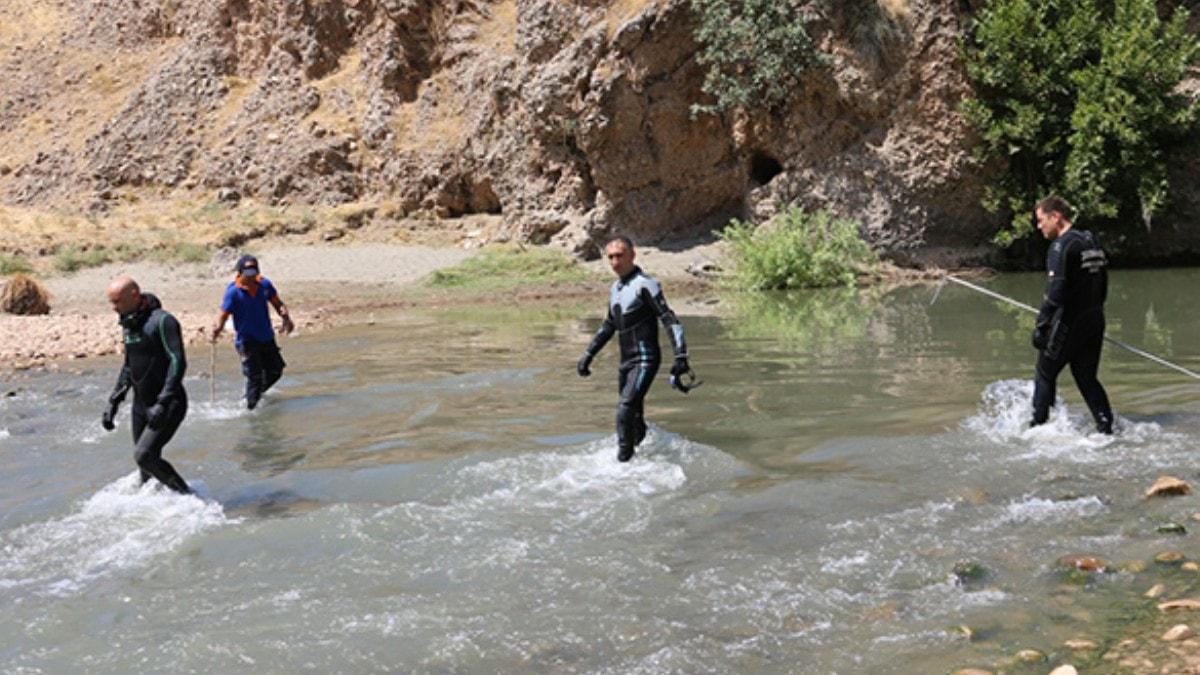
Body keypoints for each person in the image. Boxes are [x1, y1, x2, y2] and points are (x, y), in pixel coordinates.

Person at [576, 236, 690, 462]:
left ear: (632, 255)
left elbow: (669, 319)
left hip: (645, 359)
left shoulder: (645, 284)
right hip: (626, 362)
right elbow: (609, 325)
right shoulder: (615, 289)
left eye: (620, 255)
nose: (615, 262)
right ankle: (646, 454)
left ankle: (623, 462)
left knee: (624, 409)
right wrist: (588, 355)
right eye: (610, 257)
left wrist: (681, 356)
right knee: (634, 416)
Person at [1029, 195, 1115, 434]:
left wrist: (1042, 325)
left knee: (1045, 373)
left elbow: (1055, 291)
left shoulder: (1061, 245)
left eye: (1040, 220)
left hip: (1070, 321)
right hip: (1094, 318)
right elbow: (1103, 284)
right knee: (1086, 377)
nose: (1039, 227)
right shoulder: (1090, 241)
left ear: (1055, 217)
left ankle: (1037, 430)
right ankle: (1106, 429)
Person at [101, 276, 192, 494]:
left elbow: (178, 362)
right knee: (145, 469)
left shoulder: (163, 321)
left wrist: (163, 401)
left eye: (117, 302)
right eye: (111, 303)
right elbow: (129, 366)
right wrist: (114, 401)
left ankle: (190, 499)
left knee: (144, 456)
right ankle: (158, 512)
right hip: (140, 406)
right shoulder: (129, 322)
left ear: (134, 295)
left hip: (168, 403)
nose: (114, 308)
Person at [210, 254, 294, 409]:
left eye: (254, 271)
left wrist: (286, 318)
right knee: (254, 377)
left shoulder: (264, 284)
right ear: (240, 272)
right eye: (248, 272)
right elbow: (223, 315)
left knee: (276, 370)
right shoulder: (233, 292)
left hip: (266, 337)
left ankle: (252, 397)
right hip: (246, 341)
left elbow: (277, 302)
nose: (252, 276)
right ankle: (250, 409)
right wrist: (217, 330)